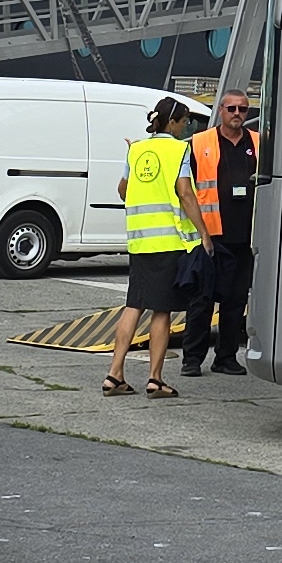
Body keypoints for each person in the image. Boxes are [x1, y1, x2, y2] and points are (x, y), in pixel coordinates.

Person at [103, 97, 203, 402]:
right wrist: (204, 233)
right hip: (169, 242)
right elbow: (185, 193)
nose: (186, 127)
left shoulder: (135, 149)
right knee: (162, 310)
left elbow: (122, 190)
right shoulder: (179, 149)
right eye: (185, 121)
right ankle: (155, 380)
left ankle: (114, 374)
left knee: (134, 304)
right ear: (173, 122)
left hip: (140, 240)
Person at [178, 86, 261, 377]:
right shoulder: (200, 143)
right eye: (232, 109)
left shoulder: (259, 143)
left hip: (246, 237)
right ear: (221, 111)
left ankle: (225, 357)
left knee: (235, 301)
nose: (237, 114)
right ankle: (192, 359)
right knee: (202, 300)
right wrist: (200, 233)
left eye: (243, 109)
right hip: (211, 236)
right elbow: (185, 189)